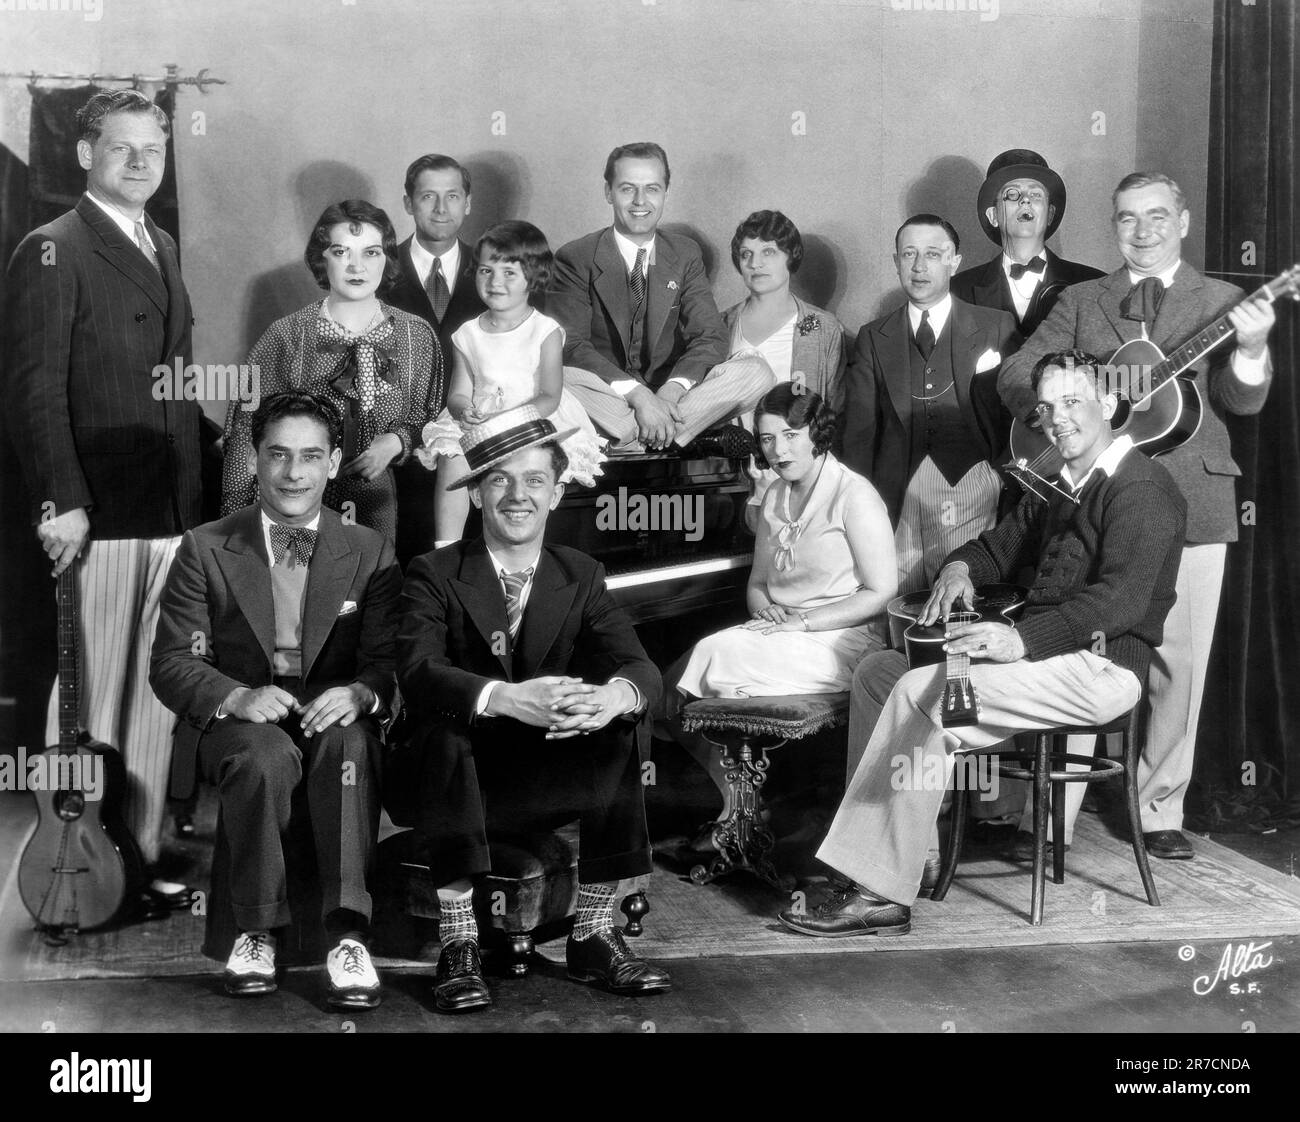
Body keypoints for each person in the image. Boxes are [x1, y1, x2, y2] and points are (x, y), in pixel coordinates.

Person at [779, 351, 1187, 938]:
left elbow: (1117, 605)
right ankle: (901, 858)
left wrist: (1019, 639)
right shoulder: (1058, 485)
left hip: (1099, 671)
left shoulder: (1142, 488)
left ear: (1112, 404)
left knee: (927, 689)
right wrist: (957, 570)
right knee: (881, 672)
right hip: (1046, 659)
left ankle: (877, 893)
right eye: (1047, 406)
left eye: (1073, 401)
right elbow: (994, 547)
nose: (1057, 419)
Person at [999, 171, 1276, 861]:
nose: (1143, 231)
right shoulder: (1081, 299)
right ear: (1112, 226)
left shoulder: (1224, 301)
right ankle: (1053, 816)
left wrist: (1248, 349)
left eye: (1157, 216)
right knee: (1080, 643)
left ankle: (1159, 810)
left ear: (1182, 222)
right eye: (1127, 218)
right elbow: (1014, 376)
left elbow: (1244, 404)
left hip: (1197, 500)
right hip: (1098, 498)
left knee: (1180, 665)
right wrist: (1070, 401)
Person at [389, 406, 671, 1014]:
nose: (518, 496)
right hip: (453, 775)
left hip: (540, 778)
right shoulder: (434, 571)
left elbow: (641, 667)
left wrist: (611, 698)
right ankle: (459, 943)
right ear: (476, 495)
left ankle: (593, 933)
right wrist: (506, 699)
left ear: (556, 490)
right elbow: (417, 671)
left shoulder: (582, 572)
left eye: (535, 480)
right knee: (445, 732)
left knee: (620, 724)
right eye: (500, 480)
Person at [3, 89, 201, 912]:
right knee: (87, 690)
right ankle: (73, 858)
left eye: (151, 147)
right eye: (118, 147)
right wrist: (62, 501)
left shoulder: (158, 242)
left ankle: (141, 853)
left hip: (165, 506)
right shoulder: (51, 247)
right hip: (98, 509)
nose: (138, 160)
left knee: (152, 691)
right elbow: (34, 388)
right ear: (83, 155)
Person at [150, 392, 399, 1007]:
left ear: (335, 462)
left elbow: (393, 660)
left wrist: (362, 693)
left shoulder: (369, 549)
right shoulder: (206, 545)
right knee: (264, 757)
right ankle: (254, 932)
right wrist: (234, 696)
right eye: (278, 455)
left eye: (310, 457)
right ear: (254, 460)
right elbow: (172, 660)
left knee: (347, 744)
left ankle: (348, 937)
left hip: (329, 710)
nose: (293, 473)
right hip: (243, 719)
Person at [664, 384, 896, 825]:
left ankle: (744, 810)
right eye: (768, 439)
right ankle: (739, 807)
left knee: (706, 659)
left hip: (841, 639)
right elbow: (757, 584)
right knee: (689, 673)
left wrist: (803, 623)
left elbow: (881, 592)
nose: (778, 449)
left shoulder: (855, 495)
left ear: (816, 433)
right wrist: (764, 610)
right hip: (780, 633)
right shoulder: (773, 495)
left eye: (791, 434)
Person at [220, 199, 440, 545]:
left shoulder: (416, 335)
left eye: (370, 253)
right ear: (322, 258)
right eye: (341, 252)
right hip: (296, 499)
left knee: (370, 590)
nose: (356, 266)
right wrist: (235, 533)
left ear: (387, 259)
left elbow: (427, 417)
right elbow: (247, 432)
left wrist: (395, 441)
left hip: (385, 502)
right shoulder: (288, 335)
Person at [550, 141, 773, 456]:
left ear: (666, 192)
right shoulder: (576, 257)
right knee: (554, 377)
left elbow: (709, 336)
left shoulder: (684, 253)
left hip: (672, 399)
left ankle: (635, 437)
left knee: (756, 372)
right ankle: (668, 434)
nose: (640, 201)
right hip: (610, 397)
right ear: (608, 192)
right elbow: (571, 346)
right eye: (628, 189)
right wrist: (640, 398)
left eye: (652, 189)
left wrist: (669, 394)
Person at [840, 214, 1020, 593]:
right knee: (898, 614)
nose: (919, 267)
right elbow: (858, 434)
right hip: (897, 500)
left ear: (955, 261)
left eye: (933, 254)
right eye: (909, 254)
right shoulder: (874, 337)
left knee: (961, 609)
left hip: (975, 492)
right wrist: (862, 508)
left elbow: (1019, 417)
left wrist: (998, 479)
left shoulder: (996, 326)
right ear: (896, 262)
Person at [415, 220, 605, 543]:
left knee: (530, 467)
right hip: (481, 422)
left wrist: (507, 422)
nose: (495, 282)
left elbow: (549, 396)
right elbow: (458, 394)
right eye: (486, 271)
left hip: (532, 420)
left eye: (509, 273)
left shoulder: (544, 330)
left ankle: (526, 550)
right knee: (452, 457)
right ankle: (445, 549)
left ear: (533, 278)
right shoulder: (467, 333)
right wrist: (464, 412)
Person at [386, 153, 483, 565]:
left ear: (468, 202)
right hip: (396, 458)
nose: (441, 209)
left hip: (474, 456)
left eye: (452, 196)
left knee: (468, 576)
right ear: (408, 203)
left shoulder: (493, 271)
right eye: (428, 196)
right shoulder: (377, 269)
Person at [720, 209, 847, 520]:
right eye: (746, 254)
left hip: (804, 478)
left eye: (768, 252)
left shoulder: (823, 328)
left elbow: (834, 410)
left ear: (790, 256)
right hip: (734, 476)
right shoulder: (720, 325)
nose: (755, 263)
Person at [951, 149, 1105, 336]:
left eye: (1036, 194)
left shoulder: (1093, 285)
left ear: (1050, 214)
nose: (1025, 200)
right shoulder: (957, 291)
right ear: (993, 216)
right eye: (1013, 194)